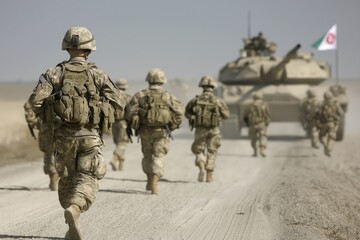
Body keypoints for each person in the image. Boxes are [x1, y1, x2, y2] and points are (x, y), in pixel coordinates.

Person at [27, 26, 126, 240]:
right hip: (90, 135)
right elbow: (119, 103)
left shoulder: (54, 73)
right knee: (88, 177)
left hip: (63, 137)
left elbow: (35, 101)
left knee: (68, 179)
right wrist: (101, 113)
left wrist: (51, 112)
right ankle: (75, 208)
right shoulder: (97, 74)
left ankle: (71, 214)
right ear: (89, 49)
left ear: (66, 47)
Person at [125, 68, 184, 194]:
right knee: (159, 156)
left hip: (144, 131)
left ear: (148, 80)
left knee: (147, 156)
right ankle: (155, 182)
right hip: (162, 131)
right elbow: (179, 112)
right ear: (163, 81)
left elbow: (129, 112)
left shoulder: (140, 95)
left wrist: (135, 124)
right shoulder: (168, 96)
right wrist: (172, 125)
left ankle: (150, 179)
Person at [185, 76, 229, 182]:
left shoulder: (195, 100)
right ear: (213, 87)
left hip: (200, 129)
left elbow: (187, 113)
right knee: (212, 151)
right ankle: (209, 175)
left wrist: (194, 117)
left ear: (202, 86)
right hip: (214, 130)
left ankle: (201, 167)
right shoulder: (218, 101)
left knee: (198, 150)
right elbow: (226, 115)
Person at [24, 101, 59, 190]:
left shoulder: (46, 93)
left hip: (50, 130)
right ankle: (55, 178)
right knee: (53, 155)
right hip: (53, 131)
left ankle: (55, 177)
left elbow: (29, 105)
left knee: (51, 155)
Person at [110, 78, 132, 171]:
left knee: (118, 143)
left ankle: (121, 165)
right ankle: (114, 159)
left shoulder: (111, 96)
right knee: (122, 143)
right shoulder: (127, 97)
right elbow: (131, 111)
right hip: (124, 122)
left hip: (114, 123)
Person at [315, 91, 344, 157]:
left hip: (323, 124)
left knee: (321, 136)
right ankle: (329, 149)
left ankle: (325, 145)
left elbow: (316, 114)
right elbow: (341, 113)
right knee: (332, 138)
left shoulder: (320, 104)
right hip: (332, 124)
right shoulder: (335, 104)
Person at [244, 92, 271, 157]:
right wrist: (267, 123)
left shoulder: (250, 105)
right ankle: (262, 150)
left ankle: (255, 152)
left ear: (254, 98)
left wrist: (247, 123)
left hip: (252, 124)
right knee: (263, 137)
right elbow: (268, 114)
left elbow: (245, 115)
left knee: (253, 138)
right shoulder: (264, 104)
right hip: (262, 124)